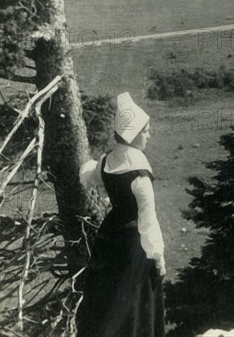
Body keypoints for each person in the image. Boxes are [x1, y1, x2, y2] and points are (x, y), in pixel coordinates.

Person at [76, 92, 166, 337]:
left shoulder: (107, 161)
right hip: (132, 245)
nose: (148, 135)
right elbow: (148, 221)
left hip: (109, 237)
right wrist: (158, 259)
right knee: (134, 301)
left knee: (107, 300)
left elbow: (89, 176)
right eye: (145, 131)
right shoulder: (139, 173)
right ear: (134, 134)